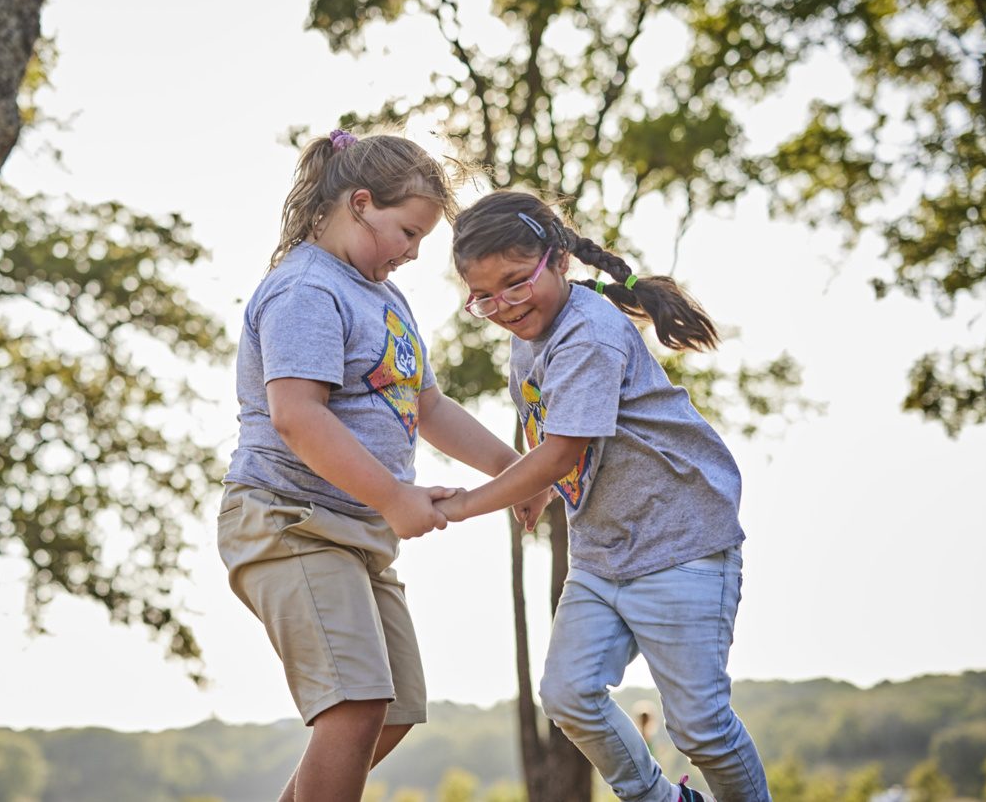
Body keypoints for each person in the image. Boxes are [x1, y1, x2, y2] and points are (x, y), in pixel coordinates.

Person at [219, 130, 550, 802]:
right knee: (355, 703)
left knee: (392, 706)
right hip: (290, 523)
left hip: (355, 533)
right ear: (361, 203)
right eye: (407, 231)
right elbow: (296, 416)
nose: (412, 252)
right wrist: (397, 496)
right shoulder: (306, 290)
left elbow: (427, 405)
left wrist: (514, 468)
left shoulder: (385, 300)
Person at [436, 190, 770, 802]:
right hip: (603, 551)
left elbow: (562, 451)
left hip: (679, 540)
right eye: (483, 297)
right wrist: (539, 490)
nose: (503, 307)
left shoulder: (590, 332)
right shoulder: (530, 330)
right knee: (568, 694)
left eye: (515, 283)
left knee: (699, 727)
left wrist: (464, 504)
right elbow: (551, 430)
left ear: (559, 261)